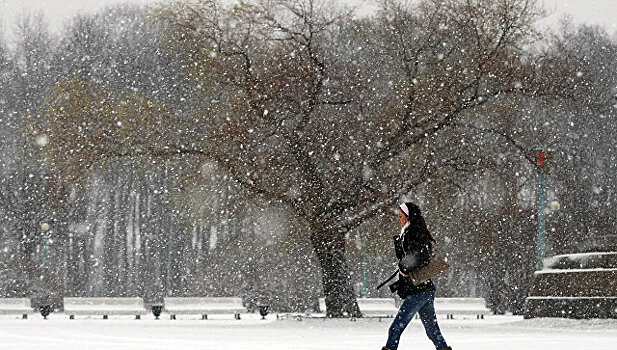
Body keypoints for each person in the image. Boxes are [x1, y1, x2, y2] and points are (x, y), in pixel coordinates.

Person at [382, 202, 451, 350]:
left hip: (418, 291)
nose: (398, 219)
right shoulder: (408, 232)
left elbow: (422, 257)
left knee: (395, 329)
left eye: (401, 216)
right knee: (433, 332)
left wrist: (404, 268)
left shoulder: (413, 232)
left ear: (408, 217)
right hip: (424, 289)